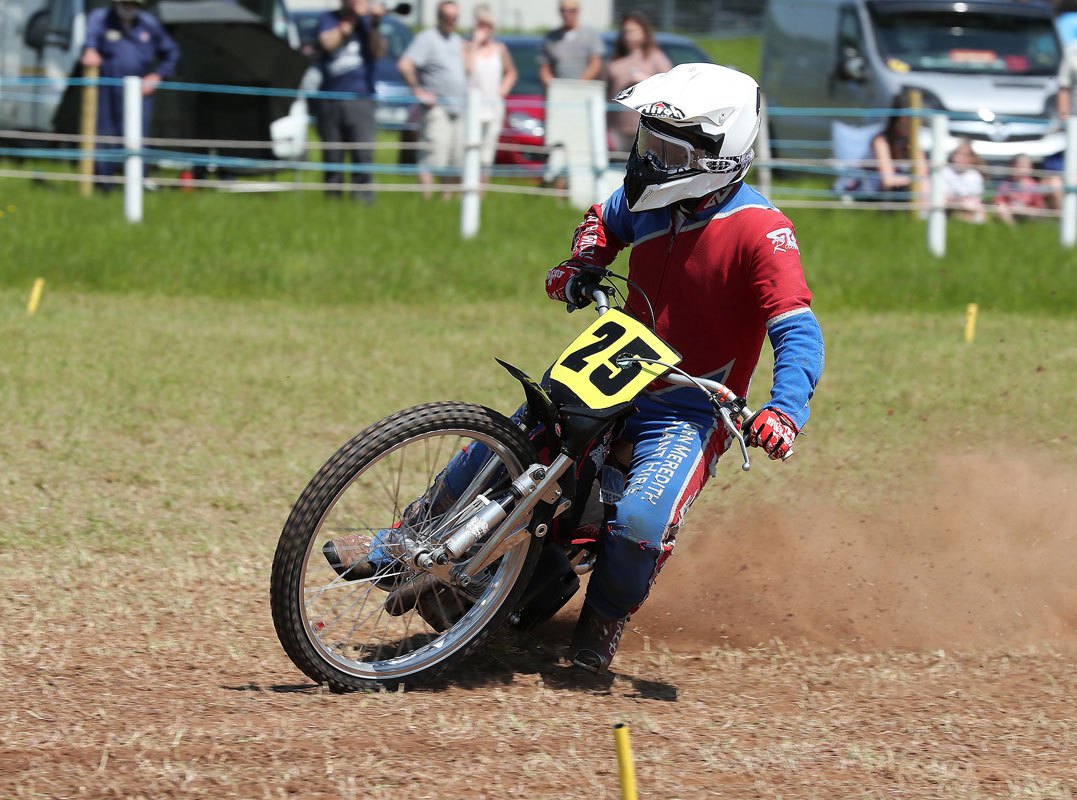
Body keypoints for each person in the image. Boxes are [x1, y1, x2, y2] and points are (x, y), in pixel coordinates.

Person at [323, 65, 824, 674]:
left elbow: (796, 329)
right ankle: (399, 541)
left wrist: (783, 411)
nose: (650, 160)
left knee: (640, 520)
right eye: (649, 142)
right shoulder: (652, 199)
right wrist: (583, 262)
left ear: (720, 155)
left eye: (668, 149)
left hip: (688, 406)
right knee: (506, 441)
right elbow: (605, 219)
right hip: (616, 363)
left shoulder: (763, 231)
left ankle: (604, 619)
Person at [80, 0, 178, 189]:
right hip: (106, 89)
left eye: (134, 4)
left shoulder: (149, 23)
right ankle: (104, 187)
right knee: (105, 136)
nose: (129, 7)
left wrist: (157, 76)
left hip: (139, 92)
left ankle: (136, 186)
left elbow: (171, 52)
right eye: (125, 3)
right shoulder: (100, 18)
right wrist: (90, 50)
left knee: (137, 138)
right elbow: (89, 43)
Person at [314, 0, 386, 204]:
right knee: (332, 158)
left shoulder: (369, 22)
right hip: (330, 99)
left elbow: (378, 52)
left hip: (361, 99)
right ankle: (332, 205)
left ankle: (363, 204)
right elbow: (328, 44)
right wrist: (352, 19)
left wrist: (374, 24)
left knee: (363, 156)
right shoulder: (328, 18)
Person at [399, 1, 467, 200]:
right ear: (439, 17)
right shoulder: (426, 39)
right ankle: (426, 200)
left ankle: (446, 202)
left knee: (454, 160)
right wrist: (417, 91)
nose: (451, 21)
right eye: (447, 17)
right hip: (437, 110)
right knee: (432, 157)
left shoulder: (457, 40)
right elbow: (405, 65)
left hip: (459, 109)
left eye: (455, 17)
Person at [604, 12, 672, 153]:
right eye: (626, 32)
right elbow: (604, 88)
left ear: (644, 32)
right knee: (617, 164)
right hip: (616, 125)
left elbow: (670, 83)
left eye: (633, 31)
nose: (629, 36)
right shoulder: (615, 59)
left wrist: (647, 79)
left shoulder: (655, 57)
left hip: (645, 125)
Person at [464, 4, 517, 178]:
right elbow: (467, 69)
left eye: (489, 25)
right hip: (472, 108)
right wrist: (475, 44)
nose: (486, 29)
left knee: (487, 155)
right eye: (482, 24)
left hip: (493, 108)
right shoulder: (465, 46)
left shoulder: (499, 49)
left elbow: (511, 72)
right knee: (470, 150)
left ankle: (481, 192)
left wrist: (502, 90)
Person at [870, 104, 927, 205]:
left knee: (926, 185)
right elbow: (887, 180)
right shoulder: (881, 140)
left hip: (905, 188)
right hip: (881, 192)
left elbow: (923, 171)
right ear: (899, 118)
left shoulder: (911, 141)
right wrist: (914, 178)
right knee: (924, 185)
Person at [538, 0, 604, 86]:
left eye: (571, 10)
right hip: (558, 91)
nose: (566, 14)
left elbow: (595, 63)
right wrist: (552, 86)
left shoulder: (590, 34)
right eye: (563, 10)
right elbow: (544, 67)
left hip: (585, 90)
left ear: (578, 11)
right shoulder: (551, 37)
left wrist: (579, 85)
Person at [993, 154, 1044, 226]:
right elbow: (998, 202)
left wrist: (1024, 209)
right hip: (1010, 212)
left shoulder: (1034, 185)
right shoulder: (1005, 184)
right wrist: (1012, 207)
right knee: (1001, 209)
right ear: (1013, 166)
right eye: (1021, 165)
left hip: (1027, 213)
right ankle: (1013, 232)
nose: (1023, 168)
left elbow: (1039, 206)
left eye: (1026, 165)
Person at [943, 141, 986, 224]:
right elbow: (943, 195)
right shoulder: (945, 172)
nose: (957, 158)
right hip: (948, 203)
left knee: (974, 207)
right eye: (957, 154)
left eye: (962, 155)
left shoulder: (975, 176)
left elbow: (977, 198)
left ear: (970, 159)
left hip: (966, 204)